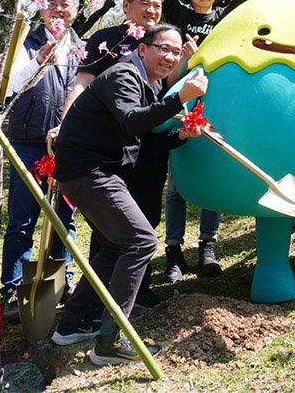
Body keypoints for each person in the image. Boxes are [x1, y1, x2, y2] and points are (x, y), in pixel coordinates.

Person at [51, 25, 208, 364]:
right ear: (142, 49)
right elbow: (131, 122)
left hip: (98, 171)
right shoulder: (123, 75)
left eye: (176, 52)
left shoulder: (147, 84)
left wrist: (180, 134)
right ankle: (109, 343)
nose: (169, 57)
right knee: (141, 241)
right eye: (162, 48)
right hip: (88, 171)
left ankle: (73, 323)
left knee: (113, 246)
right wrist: (179, 98)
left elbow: (145, 140)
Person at [157, 0, 257, 281]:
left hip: (217, 106)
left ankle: (208, 247)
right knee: (177, 185)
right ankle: (173, 252)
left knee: (212, 174)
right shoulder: (177, 15)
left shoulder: (225, 18)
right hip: (179, 104)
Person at [0, 0, 83, 321]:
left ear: (75, 10)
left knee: (65, 217)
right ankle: (13, 288)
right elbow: (11, 87)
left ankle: (63, 280)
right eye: (52, 4)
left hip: (70, 147)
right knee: (22, 219)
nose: (58, 11)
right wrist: (38, 60)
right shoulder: (24, 43)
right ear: (41, 8)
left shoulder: (84, 49)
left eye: (65, 5)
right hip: (29, 142)